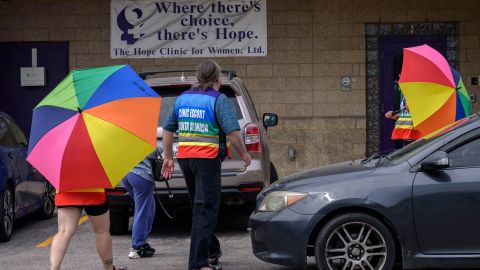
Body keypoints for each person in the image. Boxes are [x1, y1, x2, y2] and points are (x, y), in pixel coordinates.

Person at [161, 60, 252, 270]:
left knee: (199, 206)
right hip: (206, 160)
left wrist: (168, 156)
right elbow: (232, 132)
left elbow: (167, 129)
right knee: (206, 209)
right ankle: (197, 264)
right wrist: (245, 154)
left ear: (198, 77)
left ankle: (211, 250)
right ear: (217, 80)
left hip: (185, 160)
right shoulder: (218, 100)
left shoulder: (183, 99)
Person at [51, 189, 127, 270]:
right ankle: (109, 268)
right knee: (102, 232)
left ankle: (54, 268)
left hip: (66, 190)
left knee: (64, 231)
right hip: (94, 189)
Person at [122, 146, 162, 259]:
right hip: (141, 175)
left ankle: (142, 242)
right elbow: (151, 153)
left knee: (150, 207)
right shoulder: (143, 136)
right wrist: (162, 146)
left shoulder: (125, 135)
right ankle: (137, 248)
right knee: (142, 211)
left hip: (126, 174)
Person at [384, 81, 421, 149]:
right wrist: (392, 115)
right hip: (406, 134)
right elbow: (402, 116)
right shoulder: (403, 95)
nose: (398, 82)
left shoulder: (417, 94)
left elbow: (422, 113)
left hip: (415, 135)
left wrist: (413, 108)